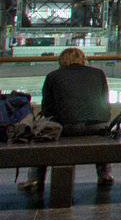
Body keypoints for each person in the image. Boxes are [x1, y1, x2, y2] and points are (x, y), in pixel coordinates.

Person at [19, 47, 113, 192]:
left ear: (61, 61)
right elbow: (105, 102)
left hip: (66, 127)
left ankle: (34, 179)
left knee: (42, 134)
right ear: (83, 59)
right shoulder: (98, 73)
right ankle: (105, 174)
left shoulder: (53, 76)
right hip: (97, 125)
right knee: (102, 135)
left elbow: (47, 108)